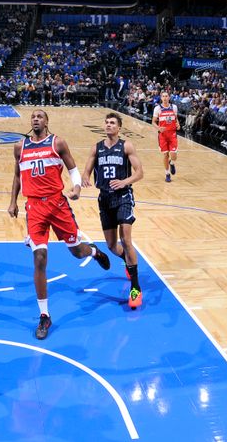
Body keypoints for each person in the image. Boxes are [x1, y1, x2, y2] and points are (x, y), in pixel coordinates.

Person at [8, 109, 110, 340]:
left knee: (76, 252)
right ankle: (45, 315)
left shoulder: (57, 142)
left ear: (47, 121)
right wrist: (13, 201)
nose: (36, 119)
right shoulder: (20, 146)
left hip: (57, 205)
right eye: (33, 116)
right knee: (40, 257)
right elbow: (17, 176)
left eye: (40, 116)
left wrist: (76, 188)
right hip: (34, 208)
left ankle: (93, 251)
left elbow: (73, 169)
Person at [82, 112, 145, 309]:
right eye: (107, 122)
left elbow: (140, 172)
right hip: (105, 198)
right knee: (111, 245)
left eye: (112, 123)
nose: (108, 125)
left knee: (126, 240)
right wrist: (84, 178)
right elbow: (86, 170)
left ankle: (135, 288)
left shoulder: (126, 146)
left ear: (119, 128)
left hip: (124, 197)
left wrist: (124, 182)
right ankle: (128, 262)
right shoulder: (97, 148)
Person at [152, 91, 180, 182]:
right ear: (161, 98)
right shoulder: (157, 108)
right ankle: (167, 174)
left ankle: (171, 163)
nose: (164, 98)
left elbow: (176, 119)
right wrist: (158, 128)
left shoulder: (174, 107)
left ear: (169, 97)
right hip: (163, 135)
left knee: (174, 155)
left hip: (172, 134)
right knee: (165, 154)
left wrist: (178, 124)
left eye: (166, 96)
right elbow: (153, 122)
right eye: (163, 96)